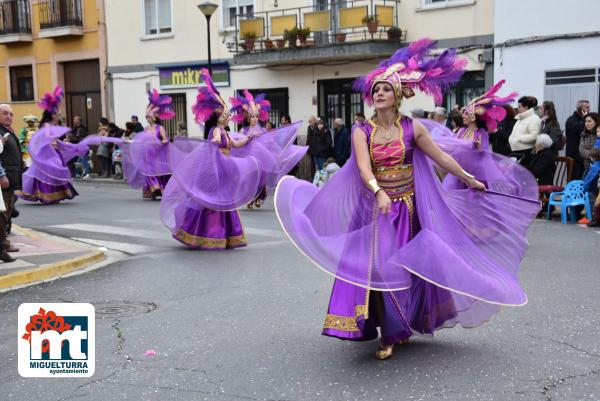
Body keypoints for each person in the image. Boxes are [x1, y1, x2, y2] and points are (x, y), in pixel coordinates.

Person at [274, 38, 540, 360]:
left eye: (386, 89)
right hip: (375, 207)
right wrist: (379, 191)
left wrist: (470, 179)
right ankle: (385, 331)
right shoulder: (363, 130)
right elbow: (362, 167)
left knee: (402, 269)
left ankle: (396, 331)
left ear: (397, 95)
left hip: (408, 208)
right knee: (378, 269)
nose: (379, 93)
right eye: (377, 90)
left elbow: (441, 157)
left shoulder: (412, 128)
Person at [160, 69, 307, 249]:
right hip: (216, 167)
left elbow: (235, 145)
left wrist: (247, 140)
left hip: (226, 167)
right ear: (219, 117)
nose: (228, 116)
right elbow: (212, 143)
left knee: (225, 199)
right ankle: (207, 234)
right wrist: (214, 142)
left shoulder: (225, 132)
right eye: (225, 115)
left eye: (227, 115)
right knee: (212, 201)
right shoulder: (216, 131)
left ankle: (226, 235)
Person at [19, 86, 79, 203]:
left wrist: (61, 143)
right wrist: (56, 144)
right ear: (52, 115)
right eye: (57, 115)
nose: (58, 117)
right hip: (48, 153)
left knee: (53, 172)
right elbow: (48, 139)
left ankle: (55, 194)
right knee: (49, 173)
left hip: (51, 152)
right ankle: (48, 194)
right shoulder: (47, 125)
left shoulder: (50, 125)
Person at [230, 89, 271, 209]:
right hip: (248, 158)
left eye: (257, 117)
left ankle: (259, 198)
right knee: (249, 179)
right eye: (253, 117)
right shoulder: (244, 130)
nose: (255, 119)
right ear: (248, 118)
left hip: (260, 159)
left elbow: (267, 143)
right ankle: (249, 199)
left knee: (261, 178)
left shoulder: (262, 130)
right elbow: (239, 142)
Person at [457, 80, 517, 150]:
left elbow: (482, 155)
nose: (463, 116)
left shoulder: (480, 133)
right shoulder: (461, 131)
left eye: (466, 114)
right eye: (463, 113)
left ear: (473, 117)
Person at [0, 104, 23, 261]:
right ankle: (3, 244)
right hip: (5, 178)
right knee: (3, 214)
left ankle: (3, 243)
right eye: (5, 113)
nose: (9, 116)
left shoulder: (8, 131)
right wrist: (2, 175)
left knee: (7, 213)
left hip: (12, 176)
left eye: (11, 114)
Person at [509, 96, 541, 166]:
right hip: (515, 151)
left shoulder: (534, 118)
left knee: (522, 174)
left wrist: (519, 138)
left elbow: (534, 136)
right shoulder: (520, 118)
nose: (518, 109)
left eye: (520, 107)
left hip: (525, 152)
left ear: (526, 107)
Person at [564, 100, 590, 180]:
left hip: (584, 156)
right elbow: (579, 129)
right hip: (574, 156)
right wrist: (585, 118)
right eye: (587, 107)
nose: (589, 109)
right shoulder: (571, 120)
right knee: (575, 180)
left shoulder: (585, 120)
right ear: (581, 109)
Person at [583, 147, 600, 227]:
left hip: (593, 190)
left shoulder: (594, 167)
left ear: (594, 157)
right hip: (598, 190)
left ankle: (594, 219)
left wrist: (584, 188)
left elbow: (588, 180)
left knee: (592, 203)